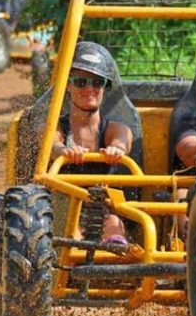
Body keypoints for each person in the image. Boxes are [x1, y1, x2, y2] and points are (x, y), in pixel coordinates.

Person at [50, 41, 133, 245]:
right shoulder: (57, 126)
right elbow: (52, 145)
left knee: (114, 223)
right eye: (80, 82)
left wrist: (117, 149)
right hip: (62, 208)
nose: (90, 89)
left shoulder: (113, 128)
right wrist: (65, 151)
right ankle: (73, 268)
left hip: (100, 209)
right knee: (72, 234)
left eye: (97, 83)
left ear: (105, 87)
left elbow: (123, 139)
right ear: (67, 86)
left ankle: (115, 270)